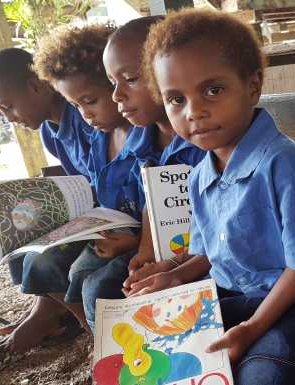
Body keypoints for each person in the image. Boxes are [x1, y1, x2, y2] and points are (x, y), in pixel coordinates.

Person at [127, 8, 295, 384]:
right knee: (156, 348)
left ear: (252, 87)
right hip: (238, 292)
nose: (194, 112)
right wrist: (175, 276)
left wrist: (252, 328)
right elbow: (207, 251)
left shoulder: (293, 170)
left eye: (212, 90)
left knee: (262, 376)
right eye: (176, 100)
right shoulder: (201, 175)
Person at [30, 21, 163, 337]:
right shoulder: (99, 139)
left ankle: (111, 339)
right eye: (76, 106)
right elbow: (94, 189)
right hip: (112, 230)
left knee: (91, 280)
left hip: (144, 239)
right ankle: (90, 331)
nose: (85, 115)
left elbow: (164, 208)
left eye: (90, 101)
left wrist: (134, 241)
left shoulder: (149, 140)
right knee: (42, 258)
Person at [78, 16, 208, 333]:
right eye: (113, 84)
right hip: (165, 252)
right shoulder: (141, 142)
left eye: (130, 80)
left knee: (108, 287)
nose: (117, 96)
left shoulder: (205, 139)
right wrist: (147, 249)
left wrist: (174, 264)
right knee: (96, 285)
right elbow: (154, 196)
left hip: (202, 255)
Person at [0, 48, 97, 355]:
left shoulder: (88, 117)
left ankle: (82, 325)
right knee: (20, 237)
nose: (9, 119)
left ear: (36, 87)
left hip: (112, 214)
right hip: (91, 211)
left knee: (42, 258)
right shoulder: (49, 131)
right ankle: (44, 311)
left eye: (8, 107)